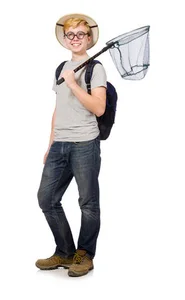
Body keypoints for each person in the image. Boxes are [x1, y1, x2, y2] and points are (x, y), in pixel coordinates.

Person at [36, 14, 107, 277]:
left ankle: (84, 255)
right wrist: (50, 143)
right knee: (46, 198)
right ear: (65, 39)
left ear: (89, 38)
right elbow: (59, 108)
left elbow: (98, 108)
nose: (75, 39)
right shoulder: (61, 68)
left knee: (88, 203)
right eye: (70, 35)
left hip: (85, 143)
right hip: (60, 144)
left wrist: (73, 84)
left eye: (80, 34)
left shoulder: (95, 68)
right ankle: (65, 252)